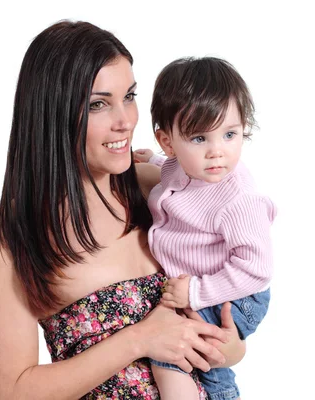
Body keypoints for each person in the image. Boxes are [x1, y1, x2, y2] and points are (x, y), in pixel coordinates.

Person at [0, 21, 246, 400]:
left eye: (130, 96)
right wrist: (138, 340)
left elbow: (231, 314)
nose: (126, 121)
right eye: (99, 104)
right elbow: (12, 391)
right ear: (55, 114)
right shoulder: (14, 233)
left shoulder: (160, 188)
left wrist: (230, 347)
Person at [134, 57, 276, 400]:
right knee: (183, 349)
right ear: (168, 142)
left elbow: (256, 269)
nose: (217, 152)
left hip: (236, 293)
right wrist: (151, 160)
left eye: (230, 134)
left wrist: (197, 292)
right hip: (208, 281)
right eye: (199, 138)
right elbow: (171, 173)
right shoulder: (179, 167)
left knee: (172, 356)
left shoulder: (236, 198)